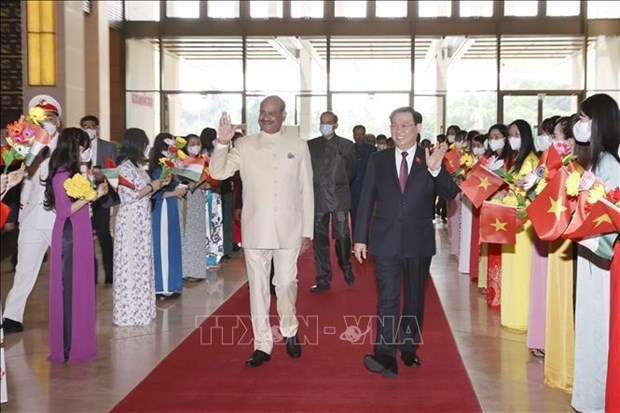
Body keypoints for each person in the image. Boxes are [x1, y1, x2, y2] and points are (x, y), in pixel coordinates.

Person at [353, 106, 459, 378]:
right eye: (394, 126)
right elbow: (366, 200)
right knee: (387, 297)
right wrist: (359, 238)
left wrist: (437, 171)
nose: (398, 131)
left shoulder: (430, 158)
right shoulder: (379, 160)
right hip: (385, 238)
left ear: (418, 128)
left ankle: (409, 347)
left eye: (405, 126)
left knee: (413, 298)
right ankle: (385, 354)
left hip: (418, 240)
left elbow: (450, 193)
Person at [211, 95, 314, 367]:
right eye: (263, 113)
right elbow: (218, 172)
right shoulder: (244, 145)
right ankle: (263, 344)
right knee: (258, 289)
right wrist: (222, 142)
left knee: (285, 284)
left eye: (272, 113)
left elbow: (307, 190)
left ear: (283, 115)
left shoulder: (298, 145)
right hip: (256, 229)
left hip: (290, 229)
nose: (267, 117)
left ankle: (290, 330)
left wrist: (308, 230)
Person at [570, 93, 619, 413]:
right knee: (588, 325)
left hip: (602, 257)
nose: (579, 125)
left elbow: (611, 216)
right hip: (590, 254)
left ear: (599, 123)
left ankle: (599, 399)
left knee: (598, 328)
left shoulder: (610, 165)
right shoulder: (593, 163)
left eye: (584, 119)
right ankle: (588, 396)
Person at [43, 127, 108, 363]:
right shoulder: (61, 175)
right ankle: (68, 346)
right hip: (69, 235)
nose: (85, 150)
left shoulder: (72, 173)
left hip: (79, 231)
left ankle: (78, 341)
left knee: (80, 284)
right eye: (82, 146)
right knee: (69, 289)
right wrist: (90, 196)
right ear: (73, 147)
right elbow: (63, 211)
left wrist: (93, 193)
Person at [2, 95, 62, 334]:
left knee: (65, 269)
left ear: (58, 120)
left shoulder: (67, 145)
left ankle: (68, 312)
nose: (47, 122)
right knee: (24, 269)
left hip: (59, 217)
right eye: (43, 118)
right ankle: (12, 317)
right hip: (31, 219)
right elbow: (19, 183)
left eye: (51, 117)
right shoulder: (25, 147)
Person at [113, 128, 170, 326]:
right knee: (131, 265)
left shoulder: (137, 167)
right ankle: (129, 312)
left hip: (142, 221)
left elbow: (145, 191)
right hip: (130, 221)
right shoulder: (124, 168)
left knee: (142, 264)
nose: (147, 148)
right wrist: (154, 186)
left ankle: (142, 308)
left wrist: (160, 184)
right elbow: (129, 196)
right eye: (144, 144)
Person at [307, 111, 356, 292]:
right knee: (320, 240)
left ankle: (346, 265)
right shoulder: (310, 145)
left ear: (336, 125)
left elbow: (352, 172)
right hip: (318, 197)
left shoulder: (347, 145)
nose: (324, 125)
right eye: (322, 122)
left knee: (342, 235)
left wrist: (338, 183)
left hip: (339, 196)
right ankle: (323, 278)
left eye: (328, 122)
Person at [149, 133, 187, 299]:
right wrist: (174, 192)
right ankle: (161, 286)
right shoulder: (159, 169)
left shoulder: (171, 167)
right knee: (163, 246)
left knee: (171, 245)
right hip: (161, 210)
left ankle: (171, 284)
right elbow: (155, 194)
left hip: (170, 209)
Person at [80, 115, 117, 284]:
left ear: (97, 128)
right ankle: (91, 275)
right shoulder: (76, 147)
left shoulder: (108, 147)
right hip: (82, 197)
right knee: (86, 237)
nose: (89, 129)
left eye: (91, 126)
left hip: (101, 196)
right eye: (85, 126)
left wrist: (103, 174)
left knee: (103, 235)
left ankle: (110, 275)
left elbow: (114, 170)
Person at [179, 133, 209, 281]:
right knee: (187, 233)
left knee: (197, 232)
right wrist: (198, 181)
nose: (195, 146)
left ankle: (197, 270)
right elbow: (183, 184)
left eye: (198, 143)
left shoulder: (202, 161)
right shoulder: (181, 162)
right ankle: (187, 270)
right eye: (191, 143)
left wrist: (206, 182)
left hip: (197, 199)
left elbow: (208, 181)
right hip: (186, 200)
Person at [350, 124, 376, 238]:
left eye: (361, 134)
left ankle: (367, 238)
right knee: (354, 215)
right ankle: (356, 239)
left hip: (367, 188)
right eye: (357, 134)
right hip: (352, 188)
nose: (359, 137)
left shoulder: (372, 150)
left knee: (367, 215)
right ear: (353, 135)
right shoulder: (349, 148)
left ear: (364, 135)